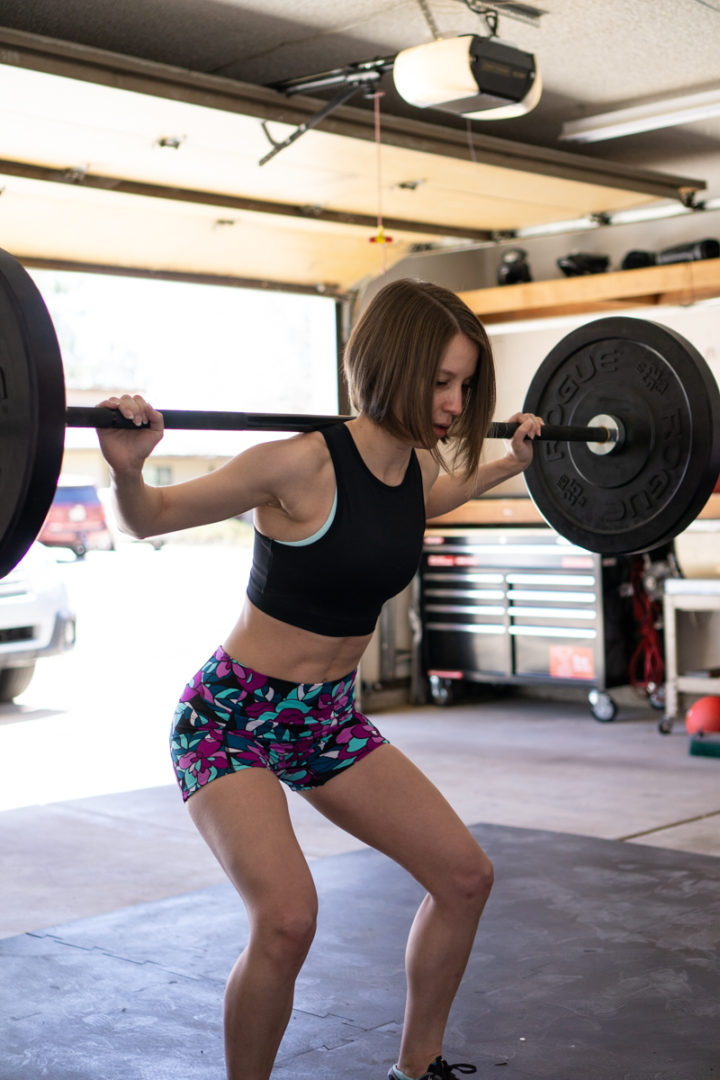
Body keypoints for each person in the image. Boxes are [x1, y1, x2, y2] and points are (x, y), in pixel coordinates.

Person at [97, 277, 543, 1080]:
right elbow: (150, 519)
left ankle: (417, 1068)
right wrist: (130, 472)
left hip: (326, 719)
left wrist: (511, 461)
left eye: (465, 385)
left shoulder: (410, 473)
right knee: (288, 920)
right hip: (230, 717)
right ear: (393, 366)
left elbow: (439, 497)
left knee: (465, 877)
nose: (453, 401)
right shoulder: (299, 463)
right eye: (441, 381)